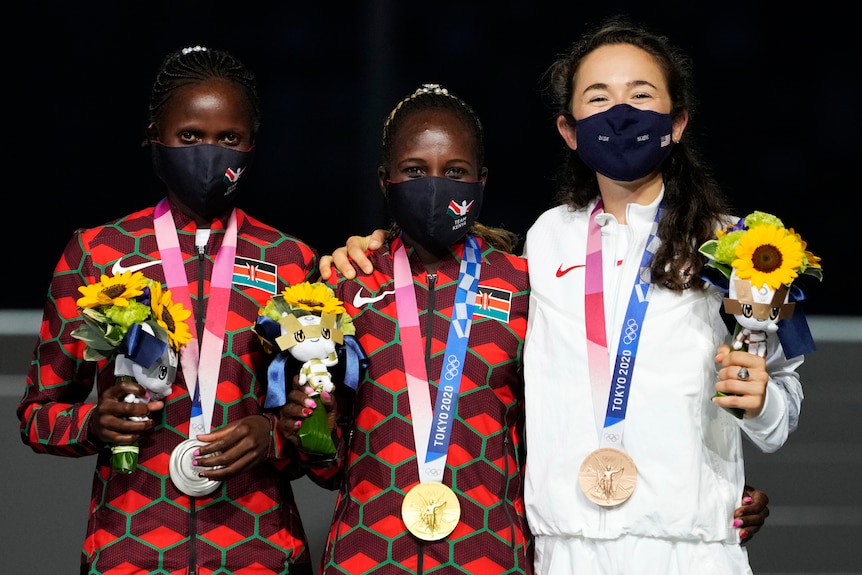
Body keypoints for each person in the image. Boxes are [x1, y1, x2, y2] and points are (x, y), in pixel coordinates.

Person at [320, 18, 792, 574]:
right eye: (599, 98)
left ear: (678, 120)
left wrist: (761, 408)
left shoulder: (735, 247)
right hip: (562, 552)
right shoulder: (546, 240)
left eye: (641, 95)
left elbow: (780, 404)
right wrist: (374, 244)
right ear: (569, 130)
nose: (621, 113)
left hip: (689, 549)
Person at [17, 45, 320, 574]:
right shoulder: (99, 252)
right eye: (190, 137)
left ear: (252, 146)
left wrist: (273, 435)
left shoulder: (291, 260)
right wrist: (93, 423)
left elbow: (321, 428)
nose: (210, 152)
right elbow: (38, 416)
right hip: (128, 554)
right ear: (155, 139)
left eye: (229, 138)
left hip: (261, 554)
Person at [283, 83, 534, 573]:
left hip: (490, 555)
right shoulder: (337, 282)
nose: (436, 184)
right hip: (365, 554)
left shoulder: (526, 286)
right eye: (415, 171)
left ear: (481, 180)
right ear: (385, 180)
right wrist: (313, 432)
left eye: (455, 172)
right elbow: (325, 466)